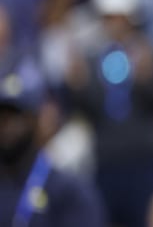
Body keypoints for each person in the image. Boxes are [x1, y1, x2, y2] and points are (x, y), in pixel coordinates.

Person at [0, 55, 105, 227]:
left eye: (15, 118)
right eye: (1, 119)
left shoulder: (66, 190)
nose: (6, 129)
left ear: (36, 121)